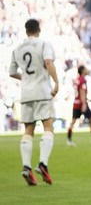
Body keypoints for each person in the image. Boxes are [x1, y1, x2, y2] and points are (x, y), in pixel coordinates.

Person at [9, 19, 59, 185]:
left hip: (26, 93)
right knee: (48, 126)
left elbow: (12, 72)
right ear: (39, 29)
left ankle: (26, 167)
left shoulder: (17, 49)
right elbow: (48, 62)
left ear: (26, 31)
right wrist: (56, 81)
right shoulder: (44, 44)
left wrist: (26, 78)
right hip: (42, 91)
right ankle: (43, 164)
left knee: (28, 130)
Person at [67, 65, 91, 146]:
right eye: (85, 69)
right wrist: (84, 103)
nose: (87, 70)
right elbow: (82, 91)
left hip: (76, 102)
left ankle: (69, 140)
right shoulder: (82, 80)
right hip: (82, 103)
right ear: (82, 70)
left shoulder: (77, 80)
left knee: (73, 121)